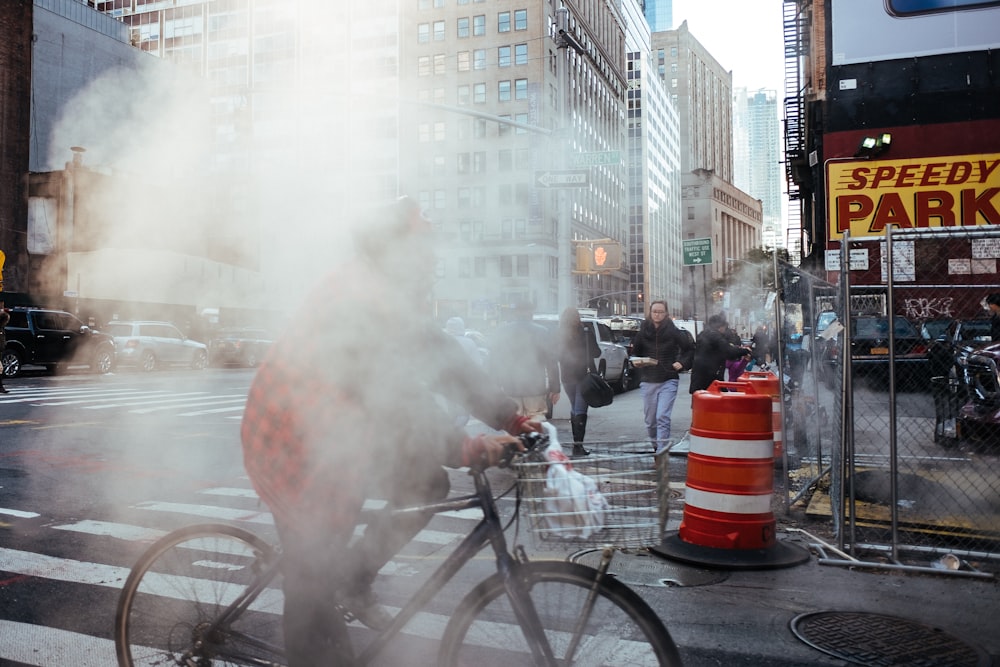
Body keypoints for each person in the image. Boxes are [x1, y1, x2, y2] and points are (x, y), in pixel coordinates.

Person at [240, 196, 541, 666]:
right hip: (292, 446)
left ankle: (355, 578)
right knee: (312, 592)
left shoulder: (391, 294)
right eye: (424, 241)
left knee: (427, 483)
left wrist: (509, 417)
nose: (434, 253)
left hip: (341, 436)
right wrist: (466, 446)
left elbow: (445, 361)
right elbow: (395, 399)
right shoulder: (357, 298)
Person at [630, 300, 694, 451]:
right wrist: (637, 362)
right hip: (648, 380)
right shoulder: (642, 332)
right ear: (650, 313)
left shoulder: (674, 332)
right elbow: (634, 354)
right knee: (650, 421)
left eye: (660, 312)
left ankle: (661, 453)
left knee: (662, 417)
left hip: (668, 379)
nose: (657, 314)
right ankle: (656, 446)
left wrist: (681, 363)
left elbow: (690, 349)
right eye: (654, 312)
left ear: (666, 314)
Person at [488, 300, 561, 420]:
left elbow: (494, 361)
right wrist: (555, 388)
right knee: (534, 426)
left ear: (515, 313)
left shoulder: (502, 332)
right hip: (535, 388)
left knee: (514, 425)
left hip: (510, 387)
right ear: (531, 313)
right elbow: (551, 361)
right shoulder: (542, 331)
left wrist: (494, 387)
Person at [557, 307, 602, 457]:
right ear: (578, 318)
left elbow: (556, 355)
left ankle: (576, 445)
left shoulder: (559, 335)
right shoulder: (586, 332)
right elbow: (597, 352)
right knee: (580, 410)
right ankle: (578, 447)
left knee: (574, 408)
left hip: (567, 376)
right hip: (584, 376)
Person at [690, 314, 751, 393]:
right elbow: (729, 351)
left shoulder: (702, 334)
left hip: (699, 378)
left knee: (700, 403)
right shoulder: (715, 336)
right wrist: (745, 351)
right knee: (718, 403)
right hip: (710, 378)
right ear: (720, 326)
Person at [443, 316, 483, 426]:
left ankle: (452, 434)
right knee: (464, 412)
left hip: (446, 382)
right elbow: (477, 364)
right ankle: (457, 434)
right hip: (464, 383)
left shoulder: (442, 343)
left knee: (451, 410)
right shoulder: (469, 342)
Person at [0, 302, 8, 394]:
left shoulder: (2, 329)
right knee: (0, 369)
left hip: (1, 351)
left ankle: (1, 387)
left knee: (0, 369)